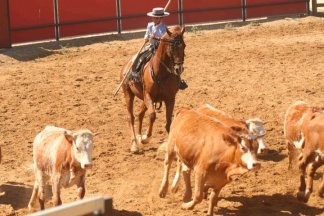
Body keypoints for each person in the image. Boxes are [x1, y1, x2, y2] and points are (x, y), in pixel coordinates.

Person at [134, 7, 188, 90]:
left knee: (172, 62)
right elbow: (146, 36)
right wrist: (147, 38)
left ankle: (178, 80)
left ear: (160, 18)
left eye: (155, 17)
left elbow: (165, 41)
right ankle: (136, 75)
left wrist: (155, 37)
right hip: (150, 47)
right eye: (153, 17)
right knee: (140, 58)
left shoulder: (165, 28)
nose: (153, 19)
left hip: (160, 49)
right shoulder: (150, 25)